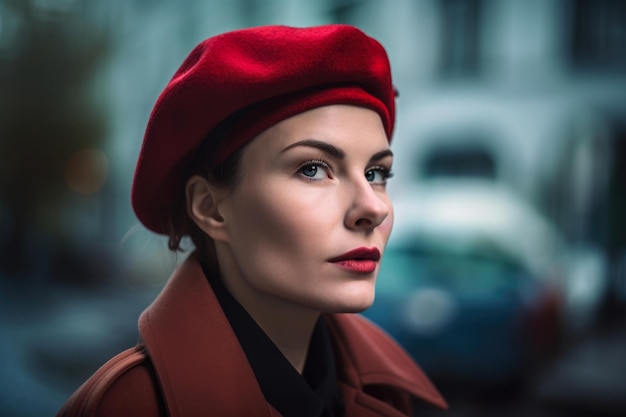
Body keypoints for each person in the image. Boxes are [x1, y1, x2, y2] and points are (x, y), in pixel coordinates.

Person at [56, 24, 447, 417]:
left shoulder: (388, 392)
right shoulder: (125, 407)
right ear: (210, 208)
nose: (374, 208)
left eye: (377, 173)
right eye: (313, 169)